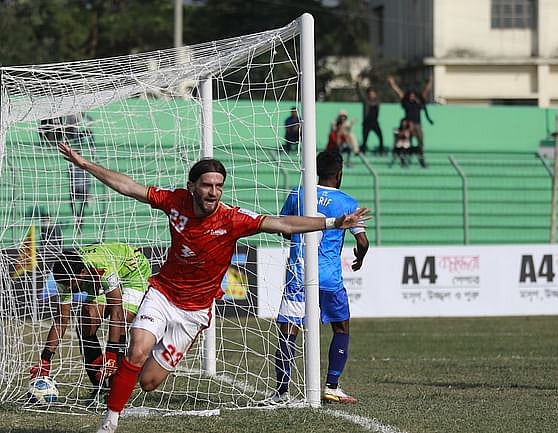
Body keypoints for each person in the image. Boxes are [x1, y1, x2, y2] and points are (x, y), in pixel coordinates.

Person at [56, 142, 368, 433]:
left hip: (194, 312)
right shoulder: (174, 201)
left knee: (149, 382)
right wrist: (85, 164)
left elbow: (284, 224)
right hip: (163, 294)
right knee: (136, 350)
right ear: (192, 186)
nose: (214, 192)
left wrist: (331, 223)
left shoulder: (233, 219)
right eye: (207, 185)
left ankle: (123, 374)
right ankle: (109, 422)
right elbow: (128, 187)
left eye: (219, 186)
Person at [261, 151, 369, 406]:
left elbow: (285, 228)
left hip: (298, 273)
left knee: (288, 332)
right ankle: (331, 386)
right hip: (329, 277)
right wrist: (360, 256)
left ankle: (281, 391)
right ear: (339, 172)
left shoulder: (298, 194)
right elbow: (362, 241)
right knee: (341, 327)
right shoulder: (347, 202)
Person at [30, 243, 151, 399]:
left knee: (122, 323)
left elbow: (116, 312)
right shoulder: (65, 279)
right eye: (64, 284)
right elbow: (61, 320)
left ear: (81, 273)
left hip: (132, 272)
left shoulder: (102, 267)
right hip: (98, 278)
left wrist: (111, 354)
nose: (68, 288)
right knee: (86, 321)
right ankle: (99, 389)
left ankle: (115, 390)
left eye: (70, 284)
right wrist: (45, 360)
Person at [387, 75, 433, 168]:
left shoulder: (418, 101)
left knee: (420, 144)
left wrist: (430, 82)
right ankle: (404, 160)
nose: (412, 96)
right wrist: (393, 84)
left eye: (413, 95)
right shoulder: (406, 102)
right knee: (406, 144)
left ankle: (421, 161)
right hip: (408, 125)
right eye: (410, 95)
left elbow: (426, 91)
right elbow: (399, 93)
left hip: (417, 125)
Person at [356, 76, 384, 156]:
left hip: (375, 122)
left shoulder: (377, 102)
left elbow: (380, 92)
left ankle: (381, 151)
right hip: (367, 123)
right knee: (365, 139)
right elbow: (360, 93)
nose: (372, 95)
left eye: (373, 93)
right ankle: (363, 152)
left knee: (380, 137)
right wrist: (358, 83)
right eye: (370, 93)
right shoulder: (366, 101)